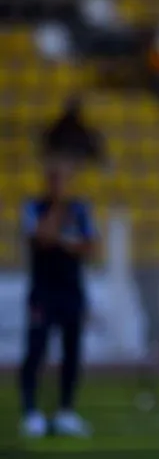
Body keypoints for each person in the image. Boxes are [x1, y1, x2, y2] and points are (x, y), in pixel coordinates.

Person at [19, 153, 97, 438]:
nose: (59, 185)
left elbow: (90, 246)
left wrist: (63, 242)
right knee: (36, 351)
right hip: (43, 291)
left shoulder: (80, 210)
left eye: (63, 180)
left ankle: (66, 410)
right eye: (55, 180)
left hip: (71, 291)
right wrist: (57, 213)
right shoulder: (35, 207)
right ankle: (30, 412)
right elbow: (40, 237)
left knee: (72, 353)